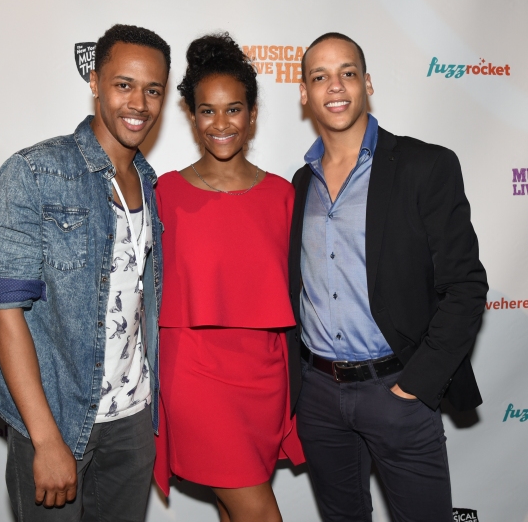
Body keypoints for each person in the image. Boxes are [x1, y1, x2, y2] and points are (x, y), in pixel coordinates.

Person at [0, 24, 170, 521]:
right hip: (58, 420)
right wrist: (45, 438)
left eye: (153, 90)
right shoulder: (34, 171)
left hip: (132, 421)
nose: (139, 103)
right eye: (124, 84)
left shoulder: (151, 183)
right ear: (95, 82)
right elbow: (4, 311)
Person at [288, 32, 488, 522]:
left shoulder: (425, 165)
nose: (335, 87)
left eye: (347, 73)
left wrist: (416, 385)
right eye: (320, 77)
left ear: (367, 83)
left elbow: (465, 285)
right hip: (318, 394)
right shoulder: (300, 182)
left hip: (397, 388)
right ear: (304, 94)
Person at [153, 33, 304, 522]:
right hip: (195, 373)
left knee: (233, 506)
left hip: (265, 374)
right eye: (207, 111)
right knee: (258, 510)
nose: (221, 123)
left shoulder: (284, 196)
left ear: (253, 114)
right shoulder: (165, 194)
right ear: (193, 117)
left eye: (233, 109)